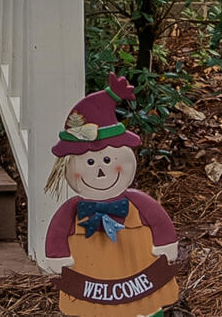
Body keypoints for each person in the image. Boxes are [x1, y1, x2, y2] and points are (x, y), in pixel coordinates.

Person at [41, 77, 182, 314]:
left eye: (107, 160)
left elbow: (158, 221)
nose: (99, 169)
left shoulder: (138, 203)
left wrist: (165, 245)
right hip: (89, 273)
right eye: (89, 162)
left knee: (146, 306)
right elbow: (57, 232)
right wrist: (58, 258)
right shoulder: (71, 212)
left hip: (138, 267)